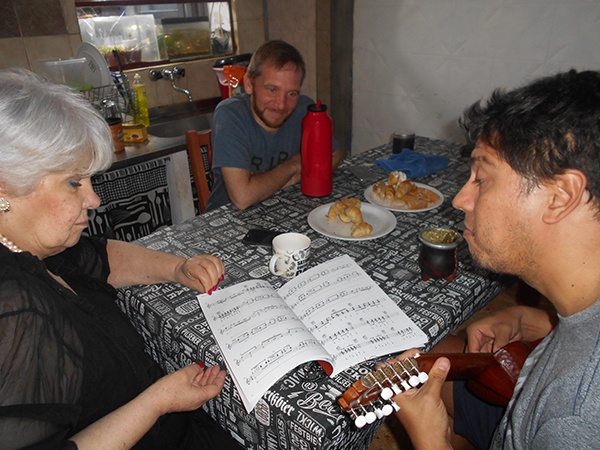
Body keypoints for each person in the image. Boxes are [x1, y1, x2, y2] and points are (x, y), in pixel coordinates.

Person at [0, 69, 241, 449]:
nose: (93, 199)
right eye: (74, 182)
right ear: (5, 188)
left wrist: (176, 268)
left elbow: (100, 255)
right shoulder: (15, 307)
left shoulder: (32, 245)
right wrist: (158, 402)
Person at [390, 69, 600, 449]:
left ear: (561, 196)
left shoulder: (573, 420)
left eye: (481, 178)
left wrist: (431, 442)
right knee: (416, 353)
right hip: (519, 401)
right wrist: (536, 321)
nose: (460, 200)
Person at [206, 40, 344, 211]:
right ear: (249, 84)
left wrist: (278, 182)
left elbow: (335, 155)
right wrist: (295, 163)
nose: (281, 104)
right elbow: (242, 197)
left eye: (292, 93)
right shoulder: (230, 115)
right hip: (226, 219)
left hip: (282, 209)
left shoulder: (304, 110)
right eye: (272, 89)